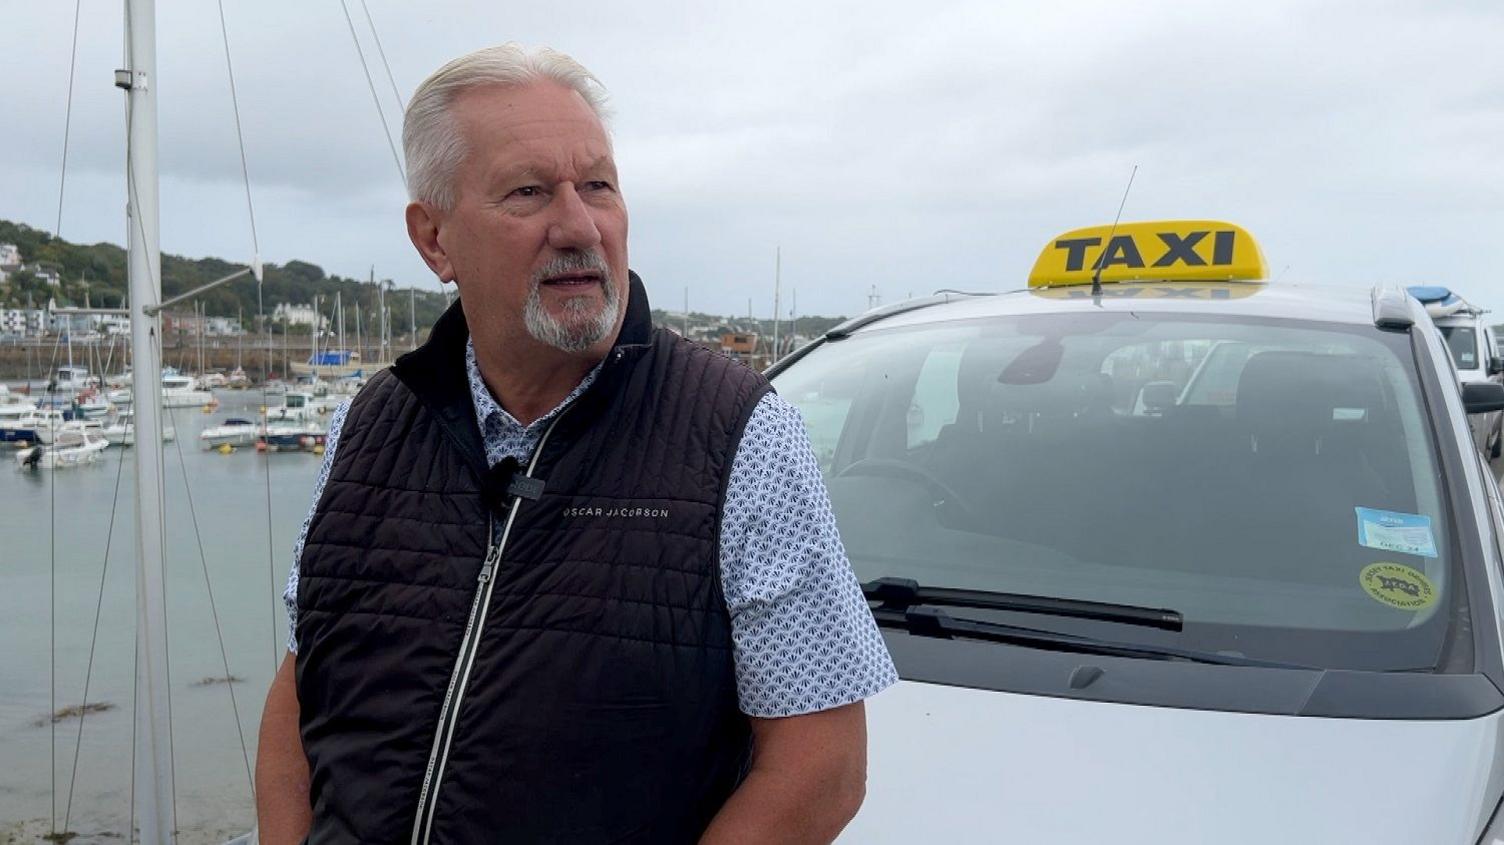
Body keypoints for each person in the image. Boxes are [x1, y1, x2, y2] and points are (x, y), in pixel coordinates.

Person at [254, 43, 896, 844]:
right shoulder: (373, 423)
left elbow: (821, 765)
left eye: (598, 186)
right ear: (434, 238)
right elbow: (303, 687)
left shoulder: (737, 433)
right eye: (529, 191)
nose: (579, 224)